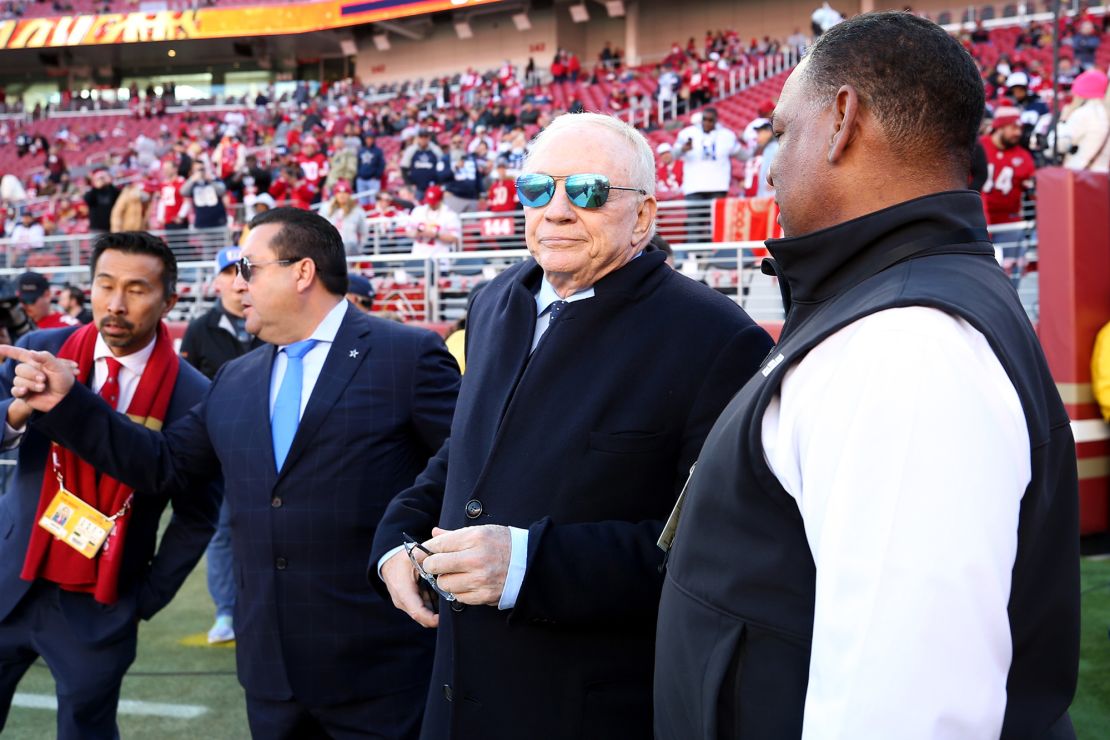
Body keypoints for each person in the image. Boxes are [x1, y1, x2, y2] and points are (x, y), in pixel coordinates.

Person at [653, 13, 1079, 739]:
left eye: (781, 134)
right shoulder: (890, 306)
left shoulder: (905, 342)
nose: (770, 163)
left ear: (842, 121)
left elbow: (907, 714)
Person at [371, 112, 773, 739]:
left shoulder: (716, 338)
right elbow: (469, 451)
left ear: (642, 216)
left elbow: (712, 549)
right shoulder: (495, 300)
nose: (555, 210)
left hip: (585, 707)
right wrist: (395, 540)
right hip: (453, 698)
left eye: (586, 191)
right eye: (537, 189)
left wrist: (532, 565)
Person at [5, 207, 461, 739]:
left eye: (248, 267)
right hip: (270, 674)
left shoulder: (406, 356)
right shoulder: (236, 380)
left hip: (381, 667)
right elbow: (161, 465)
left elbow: (469, 467)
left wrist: (423, 555)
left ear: (302, 272)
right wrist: (68, 403)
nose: (233, 282)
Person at [0, 232, 219, 739]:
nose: (116, 304)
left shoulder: (196, 394)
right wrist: (17, 411)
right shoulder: (39, 349)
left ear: (170, 300)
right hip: (12, 574)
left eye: (137, 289)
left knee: (86, 730)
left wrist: (144, 595)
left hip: (102, 597)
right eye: (105, 285)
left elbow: (198, 513)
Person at [179, 246, 263, 644]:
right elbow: (191, 391)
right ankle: (226, 610)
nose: (237, 279)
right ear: (216, 281)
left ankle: (262, 607)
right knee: (223, 532)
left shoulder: (270, 320)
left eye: (243, 270)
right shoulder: (200, 328)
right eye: (229, 272)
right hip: (221, 448)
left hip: (272, 446)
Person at [981, 105, 1036, 226]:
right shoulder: (979, 146)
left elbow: (1032, 189)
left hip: (1009, 220)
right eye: (1013, 128)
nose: (1018, 132)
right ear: (1000, 127)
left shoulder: (1023, 155)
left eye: (1020, 128)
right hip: (978, 218)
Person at [676, 107, 741, 200]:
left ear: (716, 121)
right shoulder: (687, 133)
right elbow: (672, 155)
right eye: (704, 119)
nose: (707, 123)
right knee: (695, 213)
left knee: (715, 215)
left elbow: (743, 155)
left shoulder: (726, 135)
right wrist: (683, 149)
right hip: (694, 186)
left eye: (710, 120)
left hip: (718, 186)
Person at [1056, 69, 1110, 172]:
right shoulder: (1105, 113)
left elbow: (1059, 144)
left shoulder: (1084, 113)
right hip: (1102, 177)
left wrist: (1063, 121)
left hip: (1079, 176)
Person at [405, 184, 461, 258]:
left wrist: (436, 235)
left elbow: (455, 238)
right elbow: (408, 232)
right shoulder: (418, 211)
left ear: (440, 200)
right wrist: (418, 233)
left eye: (434, 202)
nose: (431, 204)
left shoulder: (449, 214)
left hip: (440, 257)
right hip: (419, 255)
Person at [319, 181, 369, 255]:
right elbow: (319, 228)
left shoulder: (357, 210)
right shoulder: (326, 208)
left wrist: (359, 248)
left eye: (345, 193)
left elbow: (364, 232)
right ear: (335, 194)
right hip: (330, 247)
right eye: (339, 192)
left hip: (349, 247)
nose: (342, 195)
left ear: (349, 194)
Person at [356, 133, 386, 204]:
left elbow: (381, 165)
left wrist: (376, 176)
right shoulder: (361, 150)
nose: (369, 140)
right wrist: (358, 175)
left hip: (373, 180)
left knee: (374, 201)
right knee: (362, 201)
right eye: (367, 139)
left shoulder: (378, 151)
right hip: (361, 179)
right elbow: (358, 163)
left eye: (371, 139)